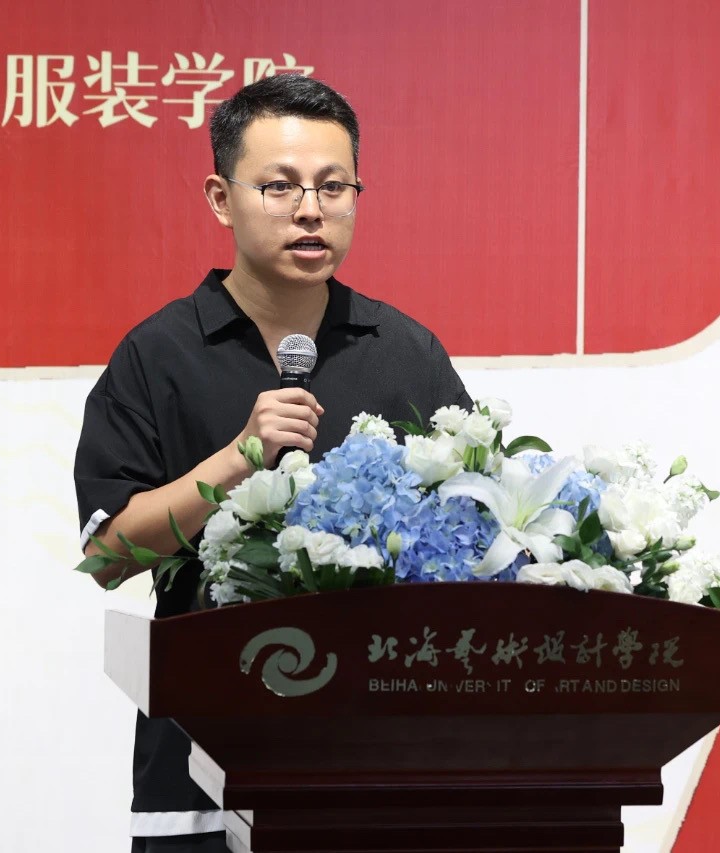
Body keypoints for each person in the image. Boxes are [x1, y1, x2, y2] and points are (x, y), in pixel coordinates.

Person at [73, 75, 472, 852]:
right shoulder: (158, 355)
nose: (310, 209)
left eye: (333, 187)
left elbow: (473, 532)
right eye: (280, 186)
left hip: (382, 779)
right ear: (221, 199)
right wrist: (235, 459)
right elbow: (108, 555)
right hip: (201, 780)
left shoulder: (407, 354)